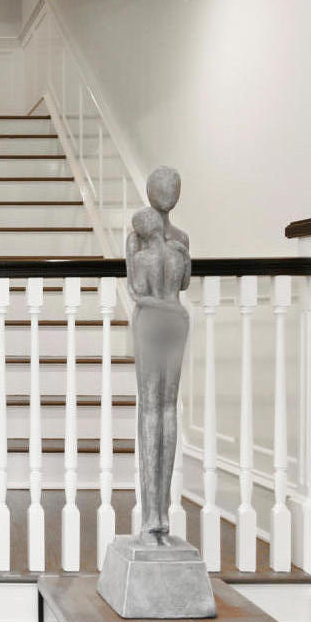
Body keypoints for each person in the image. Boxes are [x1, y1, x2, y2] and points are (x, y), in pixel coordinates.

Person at [125, 168, 190, 542]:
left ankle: (158, 510)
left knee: (159, 407)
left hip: (153, 320)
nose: (168, 193)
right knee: (158, 407)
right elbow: (183, 282)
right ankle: (154, 510)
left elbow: (136, 289)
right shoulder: (179, 241)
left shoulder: (142, 241)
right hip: (172, 319)